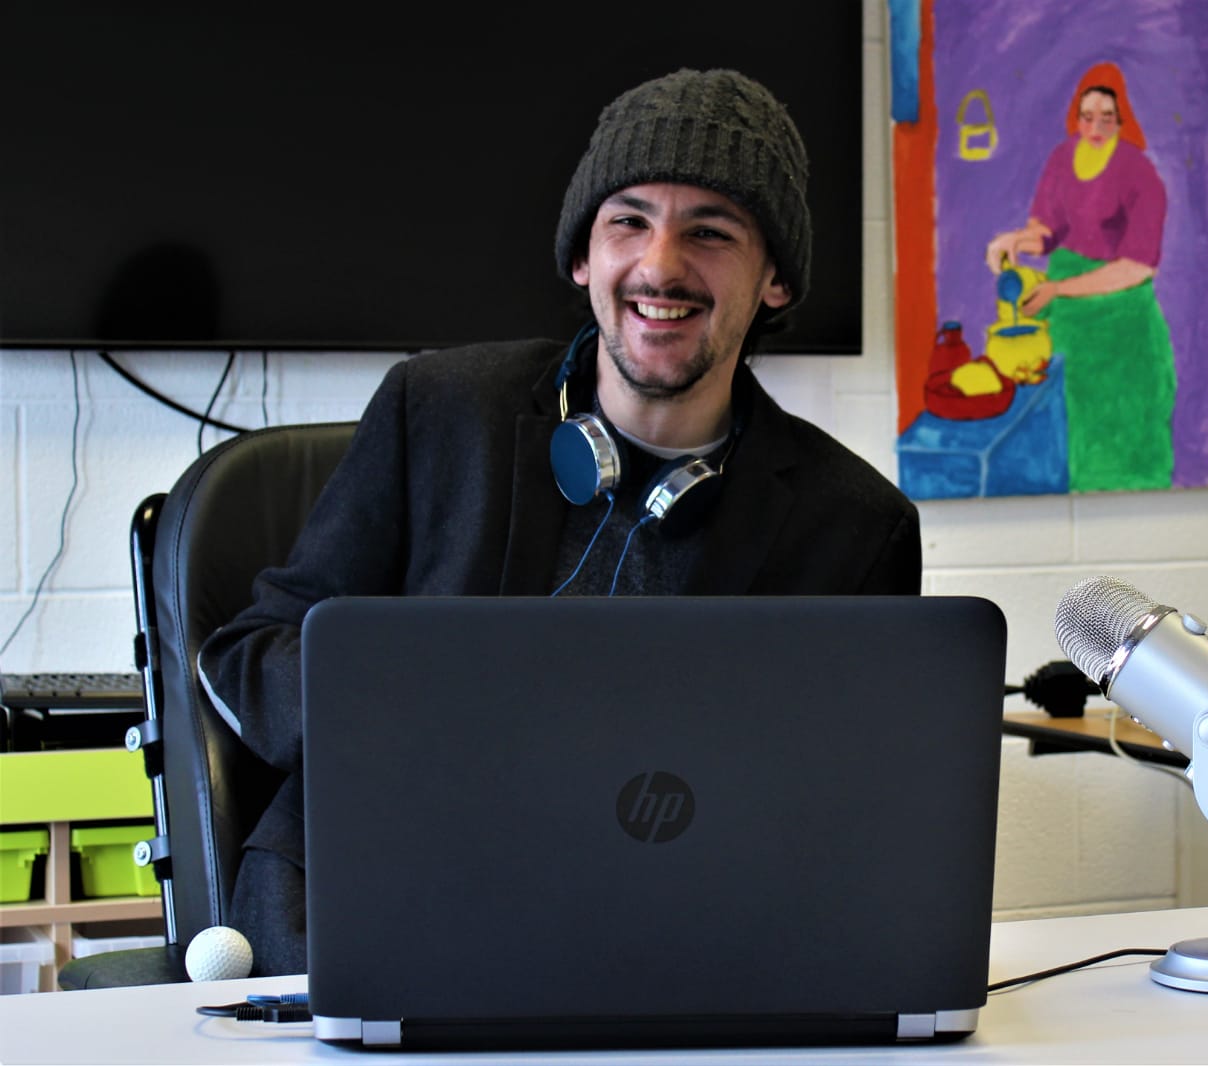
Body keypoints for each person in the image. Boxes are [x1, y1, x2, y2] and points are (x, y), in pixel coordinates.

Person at [197, 69, 922, 975]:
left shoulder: (854, 525)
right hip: (372, 908)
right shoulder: (437, 411)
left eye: (711, 231)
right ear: (584, 257)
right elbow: (252, 650)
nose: (660, 265)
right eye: (629, 221)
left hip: (671, 937)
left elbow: (856, 816)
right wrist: (419, 711)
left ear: (775, 279)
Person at [984, 61, 1177, 493]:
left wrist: (1058, 289)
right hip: (1070, 326)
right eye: (1087, 117)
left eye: (1106, 119)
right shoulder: (1061, 159)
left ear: (1121, 120)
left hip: (1121, 322)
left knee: (1123, 440)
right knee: (1070, 426)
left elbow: (1136, 266)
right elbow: (1047, 233)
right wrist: (1014, 240)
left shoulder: (1140, 173)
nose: (1095, 128)